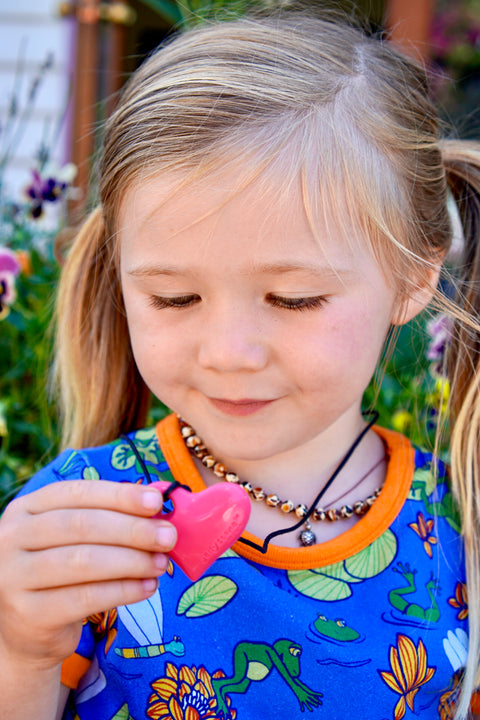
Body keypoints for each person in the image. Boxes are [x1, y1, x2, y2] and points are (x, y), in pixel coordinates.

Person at [1, 10, 480, 720]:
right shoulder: (87, 514)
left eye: (293, 299)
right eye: (175, 296)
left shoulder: (458, 530)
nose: (228, 352)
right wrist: (19, 649)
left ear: (413, 277)